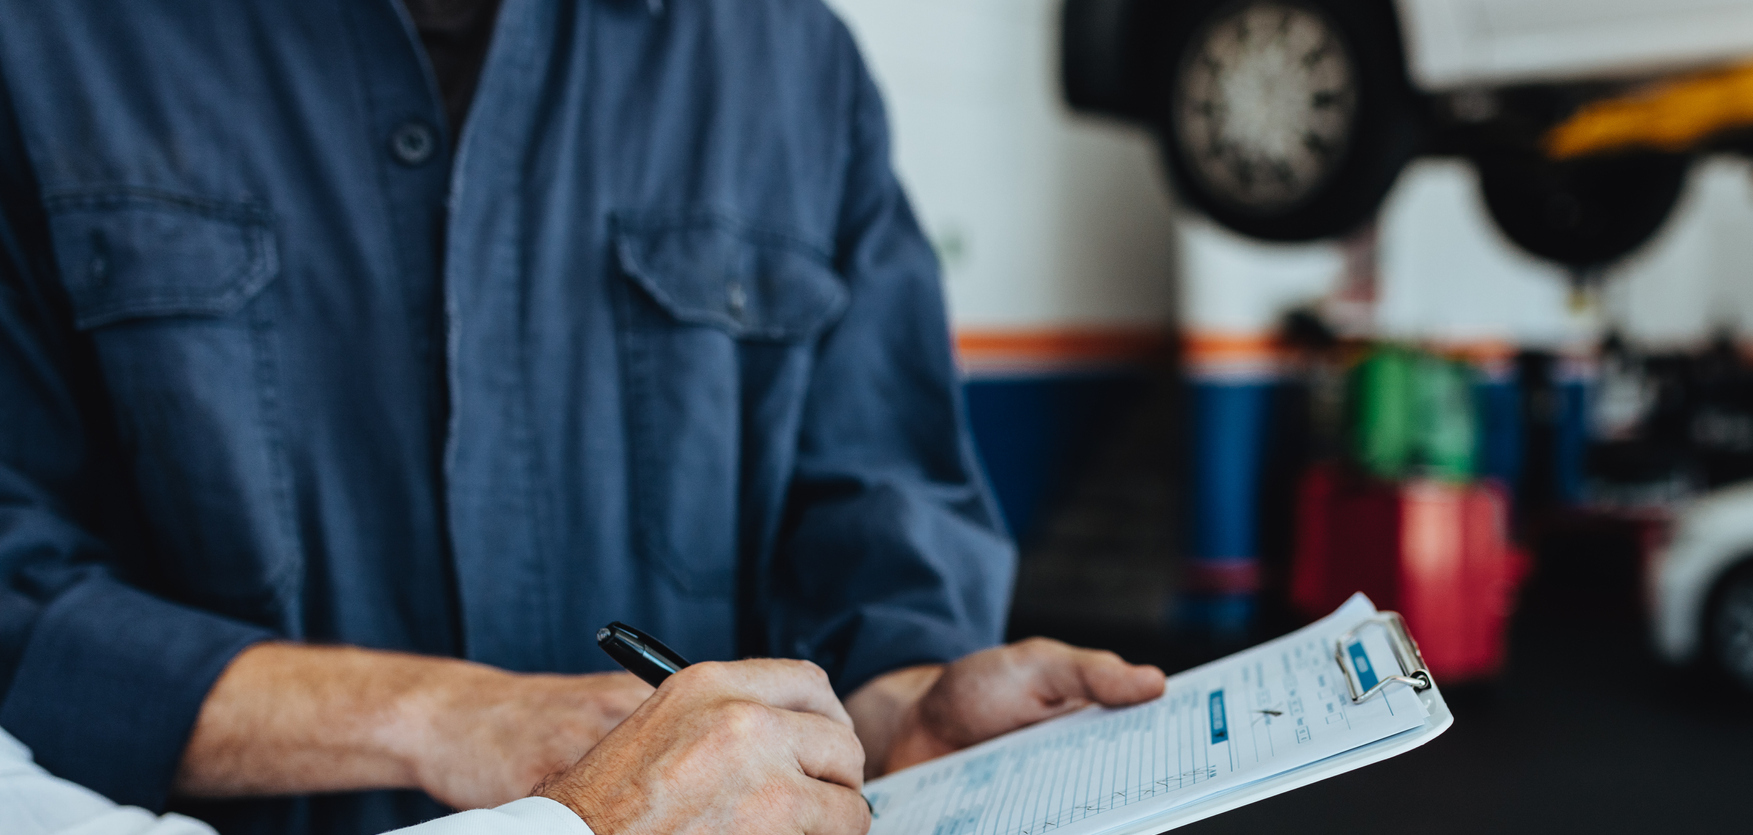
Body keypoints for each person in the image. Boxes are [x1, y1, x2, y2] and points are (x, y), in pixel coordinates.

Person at [0, 1, 1162, 833]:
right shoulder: (46, 45)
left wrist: (902, 704)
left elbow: (873, 503)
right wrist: (449, 716)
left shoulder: (788, 65)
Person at [9, 652, 1162, 835]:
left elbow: (879, 483)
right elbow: (26, 616)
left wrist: (882, 721)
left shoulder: (788, 70)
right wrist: (579, 820)